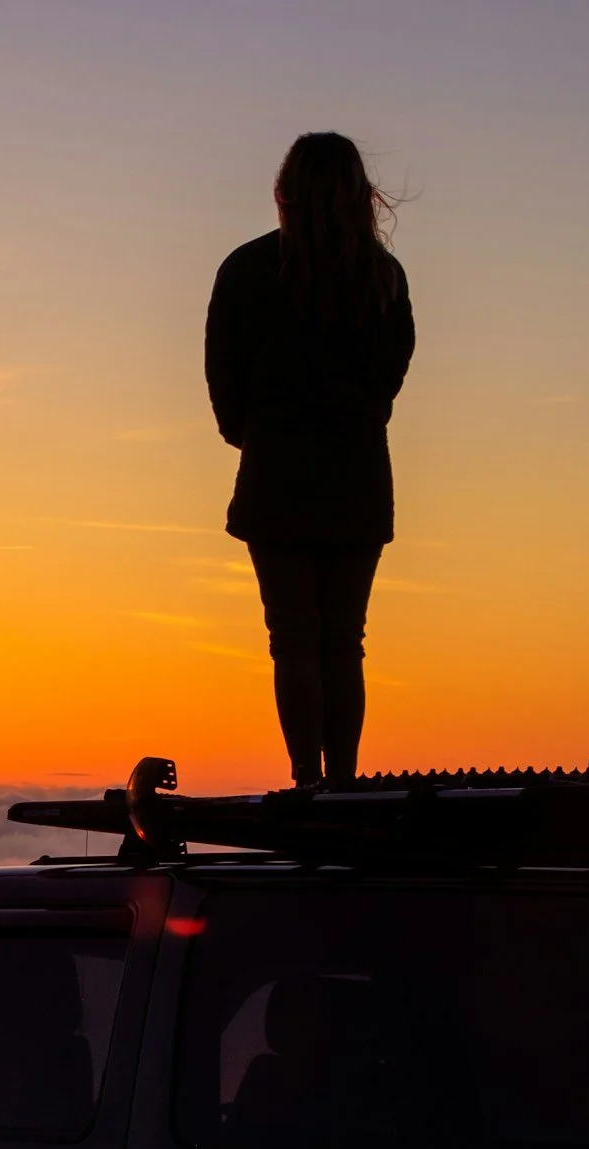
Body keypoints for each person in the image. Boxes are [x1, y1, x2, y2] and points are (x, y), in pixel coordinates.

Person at [206, 132, 415, 790]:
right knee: (342, 641)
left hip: (277, 475)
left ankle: (306, 781)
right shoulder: (383, 278)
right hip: (354, 476)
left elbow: (224, 384)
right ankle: (344, 781)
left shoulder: (245, 271)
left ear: (284, 194)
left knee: (294, 637)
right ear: (361, 197)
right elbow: (389, 379)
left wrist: (261, 435)